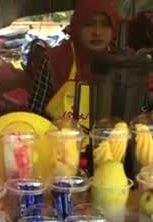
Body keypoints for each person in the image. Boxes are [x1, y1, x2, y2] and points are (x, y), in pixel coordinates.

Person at [28, 0, 120, 130]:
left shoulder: (122, 63)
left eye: (105, 25)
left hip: (111, 146)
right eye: (89, 24)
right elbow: (34, 116)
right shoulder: (54, 60)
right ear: (77, 25)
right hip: (59, 145)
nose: (97, 32)